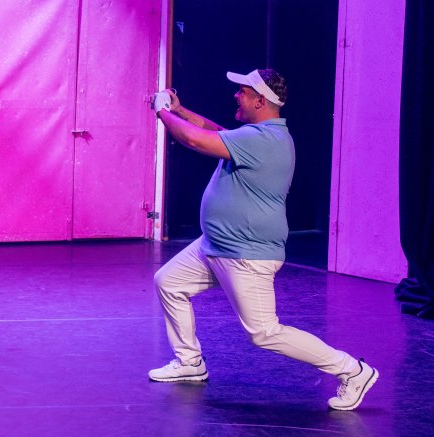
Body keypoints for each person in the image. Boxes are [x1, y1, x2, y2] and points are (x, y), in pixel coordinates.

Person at [148, 69, 378, 411]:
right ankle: (190, 362)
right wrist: (179, 111)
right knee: (169, 282)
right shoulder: (257, 134)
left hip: (246, 253)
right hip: (216, 244)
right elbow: (213, 131)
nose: (235, 96)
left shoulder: (264, 140)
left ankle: (353, 371)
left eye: (242, 92)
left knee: (264, 333)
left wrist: (161, 110)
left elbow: (195, 140)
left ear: (261, 100)